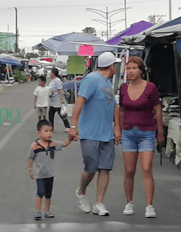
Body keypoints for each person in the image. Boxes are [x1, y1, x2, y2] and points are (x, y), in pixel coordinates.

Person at [69, 52, 121, 216]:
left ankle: (99, 203)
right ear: (111, 66)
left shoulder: (108, 83)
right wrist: (73, 125)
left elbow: (113, 107)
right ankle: (81, 191)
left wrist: (117, 127)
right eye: (115, 65)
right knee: (91, 169)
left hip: (107, 133)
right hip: (90, 133)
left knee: (105, 168)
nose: (116, 68)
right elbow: (79, 102)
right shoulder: (91, 79)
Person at [115, 56, 164, 218]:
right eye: (128, 68)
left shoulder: (150, 88)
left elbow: (157, 110)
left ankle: (149, 205)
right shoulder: (123, 88)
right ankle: (129, 202)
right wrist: (118, 129)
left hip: (147, 132)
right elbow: (121, 110)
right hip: (128, 132)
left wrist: (160, 132)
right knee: (129, 170)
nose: (130, 71)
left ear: (141, 71)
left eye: (133, 68)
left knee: (146, 168)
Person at [28, 119, 75, 220]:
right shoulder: (35, 146)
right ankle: (38, 211)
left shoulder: (53, 144)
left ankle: (47, 211)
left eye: (50, 131)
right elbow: (30, 158)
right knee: (40, 192)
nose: (49, 133)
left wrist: (70, 138)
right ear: (39, 133)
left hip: (50, 174)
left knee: (48, 194)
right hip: (39, 174)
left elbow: (64, 144)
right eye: (46, 131)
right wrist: (30, 170)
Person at [48, 68, 70, 132]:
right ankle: (51, 127)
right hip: (52, 101)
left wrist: (62, 99)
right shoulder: (52, 80)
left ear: (53, 74)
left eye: (51, 72)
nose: (50, 74)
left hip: (57, 101)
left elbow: (60, 90)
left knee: (62, 114)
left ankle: (68, 126)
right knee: (50, 115)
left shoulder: (57, 80)